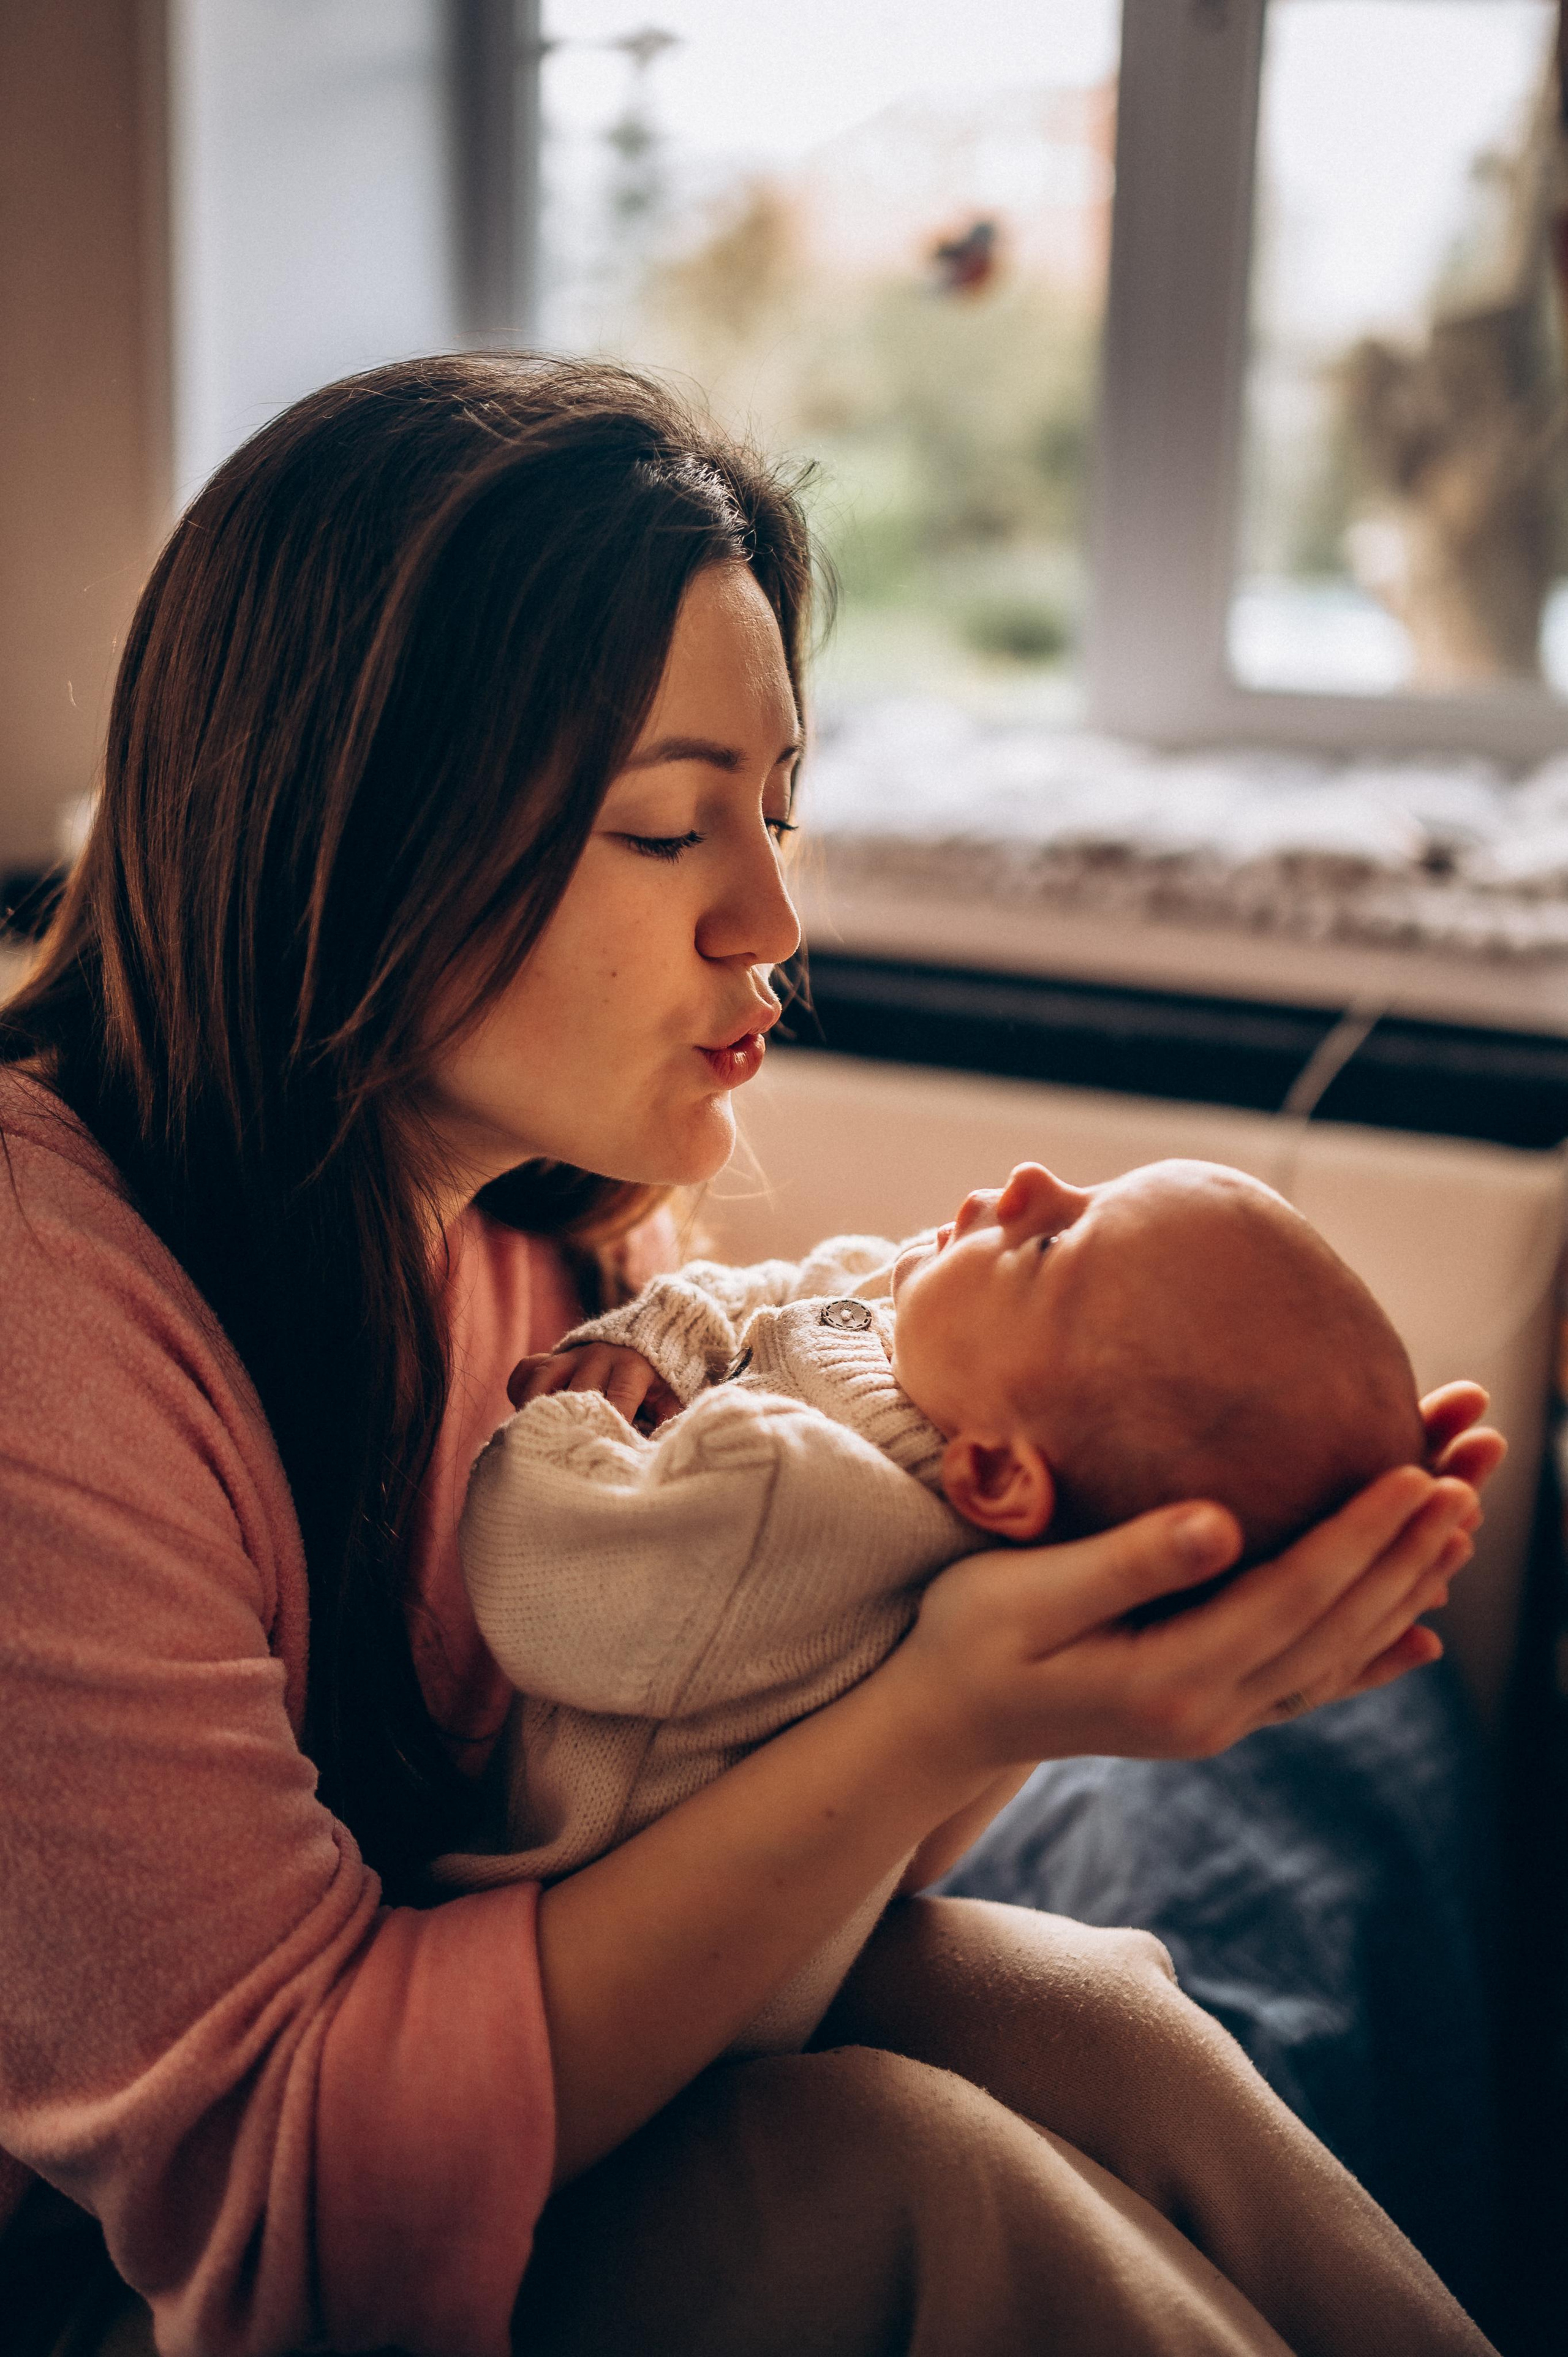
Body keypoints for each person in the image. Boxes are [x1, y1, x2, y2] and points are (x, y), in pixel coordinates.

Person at [0, 353, 1503, 2357]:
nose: (774, 918)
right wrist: (943, 1714)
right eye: (665, 830)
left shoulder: (558, 1240)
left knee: (1105, 2017)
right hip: (106, 2268)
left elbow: (720, 1793)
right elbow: (283, 2200)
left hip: (433, 2047)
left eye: (778, 812)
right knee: (908, 2173)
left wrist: (1053, 1661)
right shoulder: (49, 1310)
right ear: (352, 826)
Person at [456, 1158, 1425, 2056]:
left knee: (1124, 2023)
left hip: (596, 1949)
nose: (1034, 1182)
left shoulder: (782, 1497)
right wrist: (663, 1338)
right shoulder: (946, 1390)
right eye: (1085, 1192)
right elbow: (814, 1288)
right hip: (784, 1937)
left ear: (999, 1476)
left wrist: (575, 1410)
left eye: (1049, 1248)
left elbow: (538, 1577)